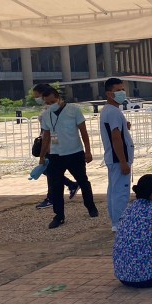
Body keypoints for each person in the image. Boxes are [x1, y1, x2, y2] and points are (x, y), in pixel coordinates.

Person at [38, 86, 99, 228]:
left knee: (83, 181)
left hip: (74, 152)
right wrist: (42, 156)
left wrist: (88, 151)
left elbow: (83, 132)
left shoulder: (74, 110)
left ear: (58, 98)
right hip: (55, 155)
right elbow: (46, 136)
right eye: (47, 103)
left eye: (52, 101)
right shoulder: (46, 115)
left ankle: (91, 207)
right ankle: (59, 216)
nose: (49, 105)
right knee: (56, 186)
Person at [32, 84, 79, 209]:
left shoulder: (51, 111)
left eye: (37, 96)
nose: (36, 99)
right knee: (50, 171)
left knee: (50, 171)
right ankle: (66, 187)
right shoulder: (48, 110)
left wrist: (48, 147)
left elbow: (50, 132)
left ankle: (53, 196)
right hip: (51, 144)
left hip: (52, 145)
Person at [99, 78, 134, 232]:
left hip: (113, 158)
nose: (122, 93)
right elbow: (115, 137)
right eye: (118, 90)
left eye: (122, 89)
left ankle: (116, 221)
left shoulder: (110, 110)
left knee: (114, 190)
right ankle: (120, 222)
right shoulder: (113, 111)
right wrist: (123, 161)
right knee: (120, 191)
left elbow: (117, 131)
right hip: (117, 158)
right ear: (109, 93)